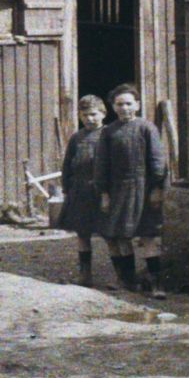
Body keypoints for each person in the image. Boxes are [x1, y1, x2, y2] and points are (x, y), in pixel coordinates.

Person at [97, 83, 170, 297]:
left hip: (144, 188)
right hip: (118, 190)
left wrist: (157, 188)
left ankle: (157, 284)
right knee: (120, 236)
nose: (124, 108)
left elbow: (158, 161)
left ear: (137, 105)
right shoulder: (108, 132)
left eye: (128, 104)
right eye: (120, 104)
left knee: (148, 236)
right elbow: (101, 165)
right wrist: (104, 193)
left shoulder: (147, 128)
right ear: (113, 107)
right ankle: (128, 281)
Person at [56, 93, 106, 287]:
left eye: (93, 114)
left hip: (102, 190)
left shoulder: (109, 134)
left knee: (111, 234)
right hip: (80, 189)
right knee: (82, 233)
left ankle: (123, 277)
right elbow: (67, 164)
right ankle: (85, 275)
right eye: (85, 115)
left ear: (103, 113)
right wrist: (66, 188)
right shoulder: (77, 137)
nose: (89, 119)